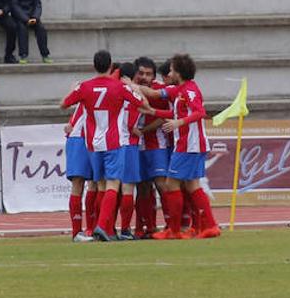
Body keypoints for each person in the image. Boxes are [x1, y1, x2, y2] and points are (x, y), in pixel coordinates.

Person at [61, 50, 152, 242]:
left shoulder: (84, 87)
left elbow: (64, 104)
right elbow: (143, 104)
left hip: (92, 143)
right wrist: (133, 88)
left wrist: (73, 91)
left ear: (94, 66)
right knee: (113, 184)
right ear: (111, 66)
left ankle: (88, 229)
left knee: (96, 184)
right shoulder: (119, 87)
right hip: (113, 141)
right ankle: (103, 227)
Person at [133, 54, 220, 240]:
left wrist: (179, 122)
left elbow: (200, 112)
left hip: (189, 144)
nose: (169, 72)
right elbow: (156, 95)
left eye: (172, 69)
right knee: (192, 185)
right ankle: (208, 226)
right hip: (188, 144)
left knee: (171, 184)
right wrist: (150, 109)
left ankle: (174, 230)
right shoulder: (178, 90)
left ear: (178, 72)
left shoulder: (190, 91)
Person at [132, 56, 171, 238]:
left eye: (148, 74)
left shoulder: (160, 90)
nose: (144, 77)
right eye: (141, 73)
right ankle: (145, 227)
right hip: (136, 146)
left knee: (162, 184)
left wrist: (144, 130)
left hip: (157, 144)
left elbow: (166, 116)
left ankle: (172, 225)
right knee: (142, 187)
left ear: (154, 76)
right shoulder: (128, 89)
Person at [61, 100, 95, 242]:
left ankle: (92, 229)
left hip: (97, 138)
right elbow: (65, 102)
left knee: (98, 183)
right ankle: (76, 232)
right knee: (78, 182)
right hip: (79, 138)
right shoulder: (88, 87)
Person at [10, 0, 50, 64]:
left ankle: (45, 54)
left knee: (41, 29)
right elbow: (14, 5)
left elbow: (37, 4)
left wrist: (35, 17)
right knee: (22, 29)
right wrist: (25, 19)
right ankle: (23, 55)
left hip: (32, 16)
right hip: (20, 17)